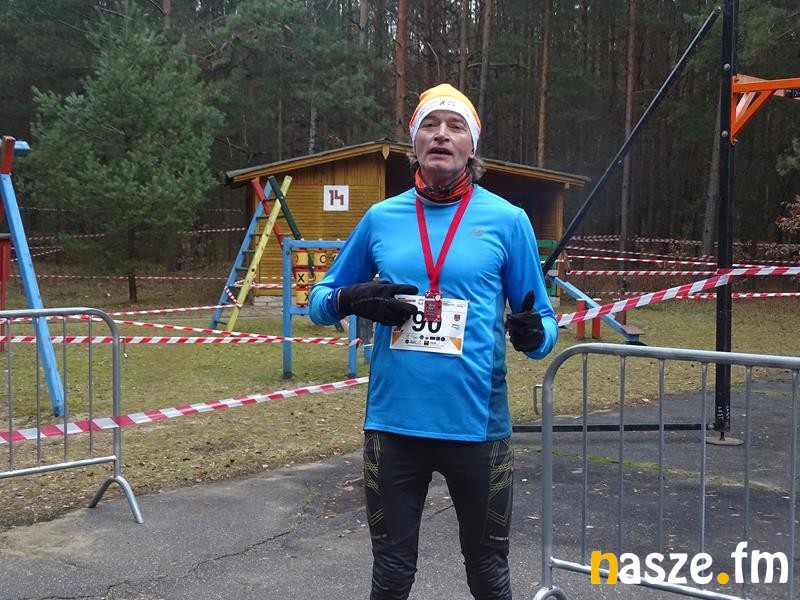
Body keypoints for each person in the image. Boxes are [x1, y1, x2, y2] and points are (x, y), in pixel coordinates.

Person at [308, 83, 558, 600]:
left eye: (455, 126)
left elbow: (544, 326)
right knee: (391, 575)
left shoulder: (508, 221)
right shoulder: (381, 218)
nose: (442, 134)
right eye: (430, 124)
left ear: (472, 147)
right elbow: (318, 300)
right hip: (393, 428)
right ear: (414, 143)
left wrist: (535, 333)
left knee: (488, 574)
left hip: (478, 430)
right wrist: (349, 298)